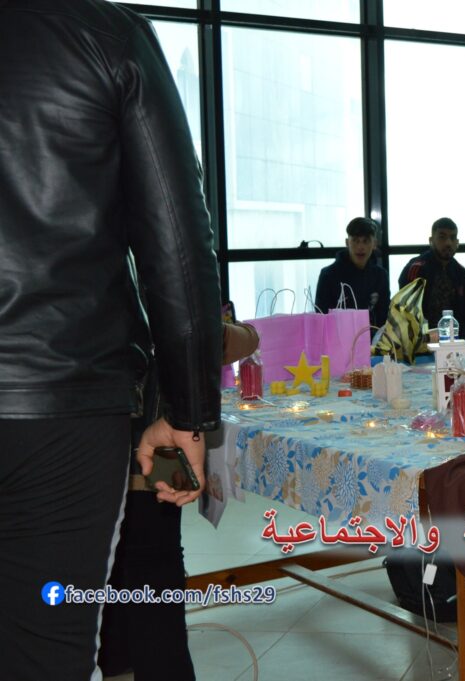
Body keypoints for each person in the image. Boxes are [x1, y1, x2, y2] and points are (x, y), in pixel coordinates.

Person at [0, 1, 222, 679]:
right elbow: (174, 242)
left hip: (62, 395)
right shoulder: (104, 34)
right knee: (45, 648)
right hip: (61, 402)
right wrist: (187, 413)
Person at [99, 316, 258, 681]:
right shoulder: (151, 289)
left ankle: (115, 655)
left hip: (84, 439)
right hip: (154, 447)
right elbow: (203, 335)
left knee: (108, 561)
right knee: (154, 564)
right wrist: (247, 333)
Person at [397, 217, 465, 339]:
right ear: (431, 240)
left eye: (452, 238)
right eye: (442, 237)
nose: (448, 243)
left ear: (457, 242)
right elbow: (407, 313)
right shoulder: (416, 269)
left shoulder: (463, 275)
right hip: (421, 339)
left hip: (456, 339)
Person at [314, 217, 391, 327]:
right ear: (347, 243)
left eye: (366, 241)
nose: (360, 247)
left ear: (374, 243)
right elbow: (322, 317)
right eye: (355, 240)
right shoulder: (328, 275)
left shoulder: (380, 275)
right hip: (338, 336)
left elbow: (384, 316)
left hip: (373, 336)